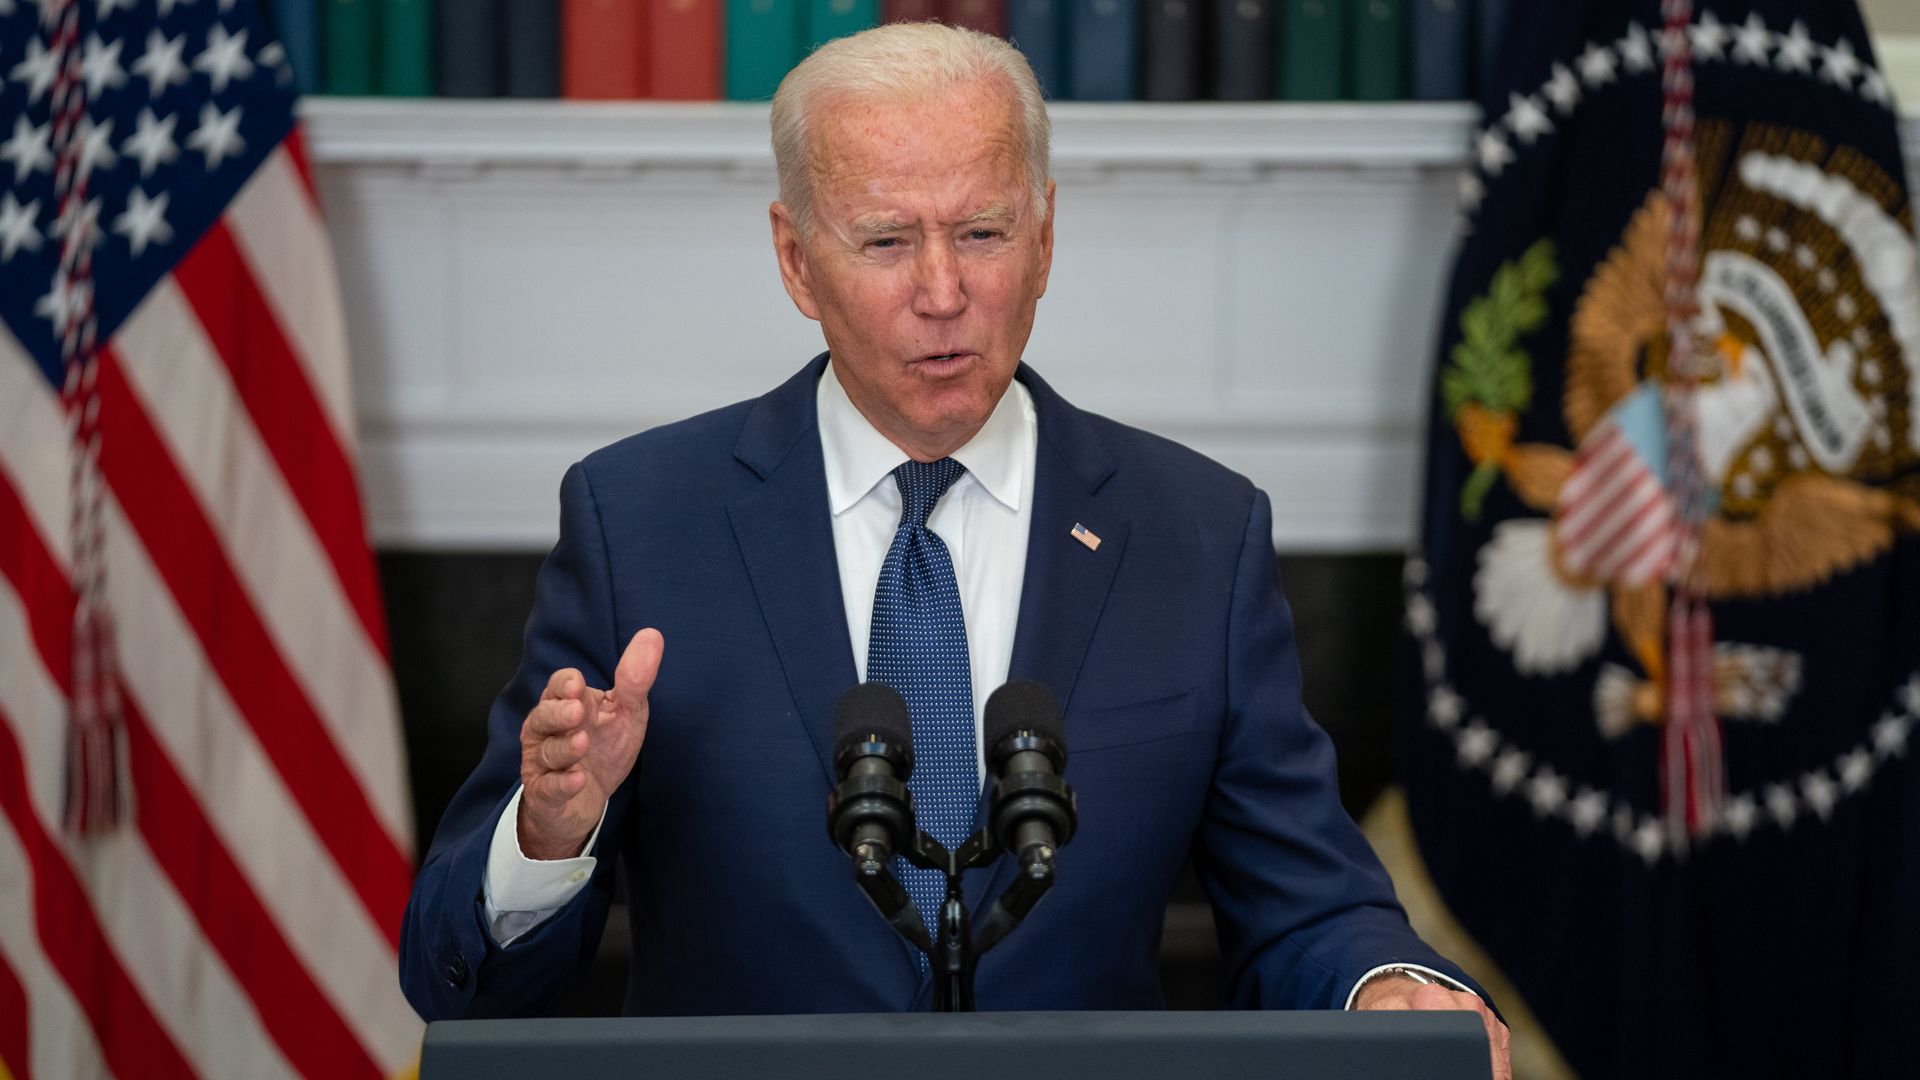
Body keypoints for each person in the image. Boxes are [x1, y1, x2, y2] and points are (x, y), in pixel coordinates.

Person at [399, 23, 1511, 1078]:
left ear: (1045, 237)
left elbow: (1309, 900)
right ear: (796, 260)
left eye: (982, 232)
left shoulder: (1197, 534)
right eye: (887, 241)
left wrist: (1389, 989)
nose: (943, 294)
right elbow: (461, 985)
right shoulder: (641, 522)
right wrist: (549, 834)